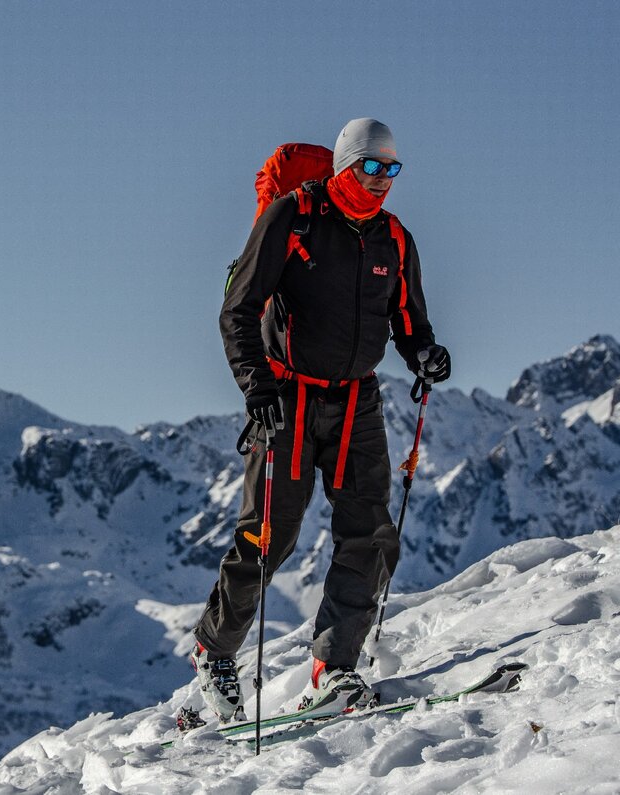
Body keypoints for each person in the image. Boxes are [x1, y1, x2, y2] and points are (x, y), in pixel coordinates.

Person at [190, 118, 450, 723]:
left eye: (393, 170)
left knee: (369, 530)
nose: (383, 181)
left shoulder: (395, 239)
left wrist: (425, 355)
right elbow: (238, 310)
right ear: (344, 165)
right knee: (269, 537)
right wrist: (256, 386)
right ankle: (215, 647)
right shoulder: (294, 217)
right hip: (288, 396)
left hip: (358, 398)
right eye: (372, 167)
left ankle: (333, 668)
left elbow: (409, 322)